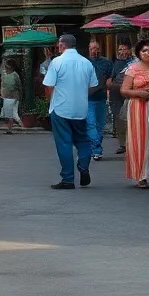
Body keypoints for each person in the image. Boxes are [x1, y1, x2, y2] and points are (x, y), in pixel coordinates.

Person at [43, 34, 98, 189]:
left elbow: (48, 85)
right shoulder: (86, 63)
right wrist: (81, 96)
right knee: (83, 140)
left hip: (61, 108)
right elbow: (93, 85)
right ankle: (84, 165)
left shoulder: (57, 62)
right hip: (80, 108)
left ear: (62, 45)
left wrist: (51, 103)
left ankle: (68, 178)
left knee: (64, 143)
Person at [122, 39, 149, 189]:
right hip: (137, 107)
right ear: (139, 53)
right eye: (144, 51)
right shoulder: (132, 68)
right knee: (139, 140)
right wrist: (139, 93)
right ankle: (141, 175)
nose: (147, 53)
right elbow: (124, 90)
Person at [86, 40, 112, 161]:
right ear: (89, 49)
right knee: (91, 124)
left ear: (99, 49)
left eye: (96, 48)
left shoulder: (107, 63)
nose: (94, 51)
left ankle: (95, 147)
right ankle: (96, 149)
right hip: (88, 98)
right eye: (92, 49)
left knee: (99, 125)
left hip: (101, 97)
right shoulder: (84, 62)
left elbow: (110, 78)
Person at [109, 42, 133, 154]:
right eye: (120, 49)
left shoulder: (134, 63)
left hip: (128, 93)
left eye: (124, 49)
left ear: (129, 51)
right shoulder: (115, 63)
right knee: (118, 118)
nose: (122, 52)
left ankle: (131, 142)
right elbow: (111, 77)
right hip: (116, 93)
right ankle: (122, 144)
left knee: (129, 118)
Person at [0, 58, 23, 134]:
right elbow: (2, 85)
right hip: (6, 97)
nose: (6, 68)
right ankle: (12, 127)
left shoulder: (15, 75)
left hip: (14, 97)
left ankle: (14, 126)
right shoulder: (4, 74)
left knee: (13, 113)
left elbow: (19, 86)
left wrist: (20, 95)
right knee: (9, 114)